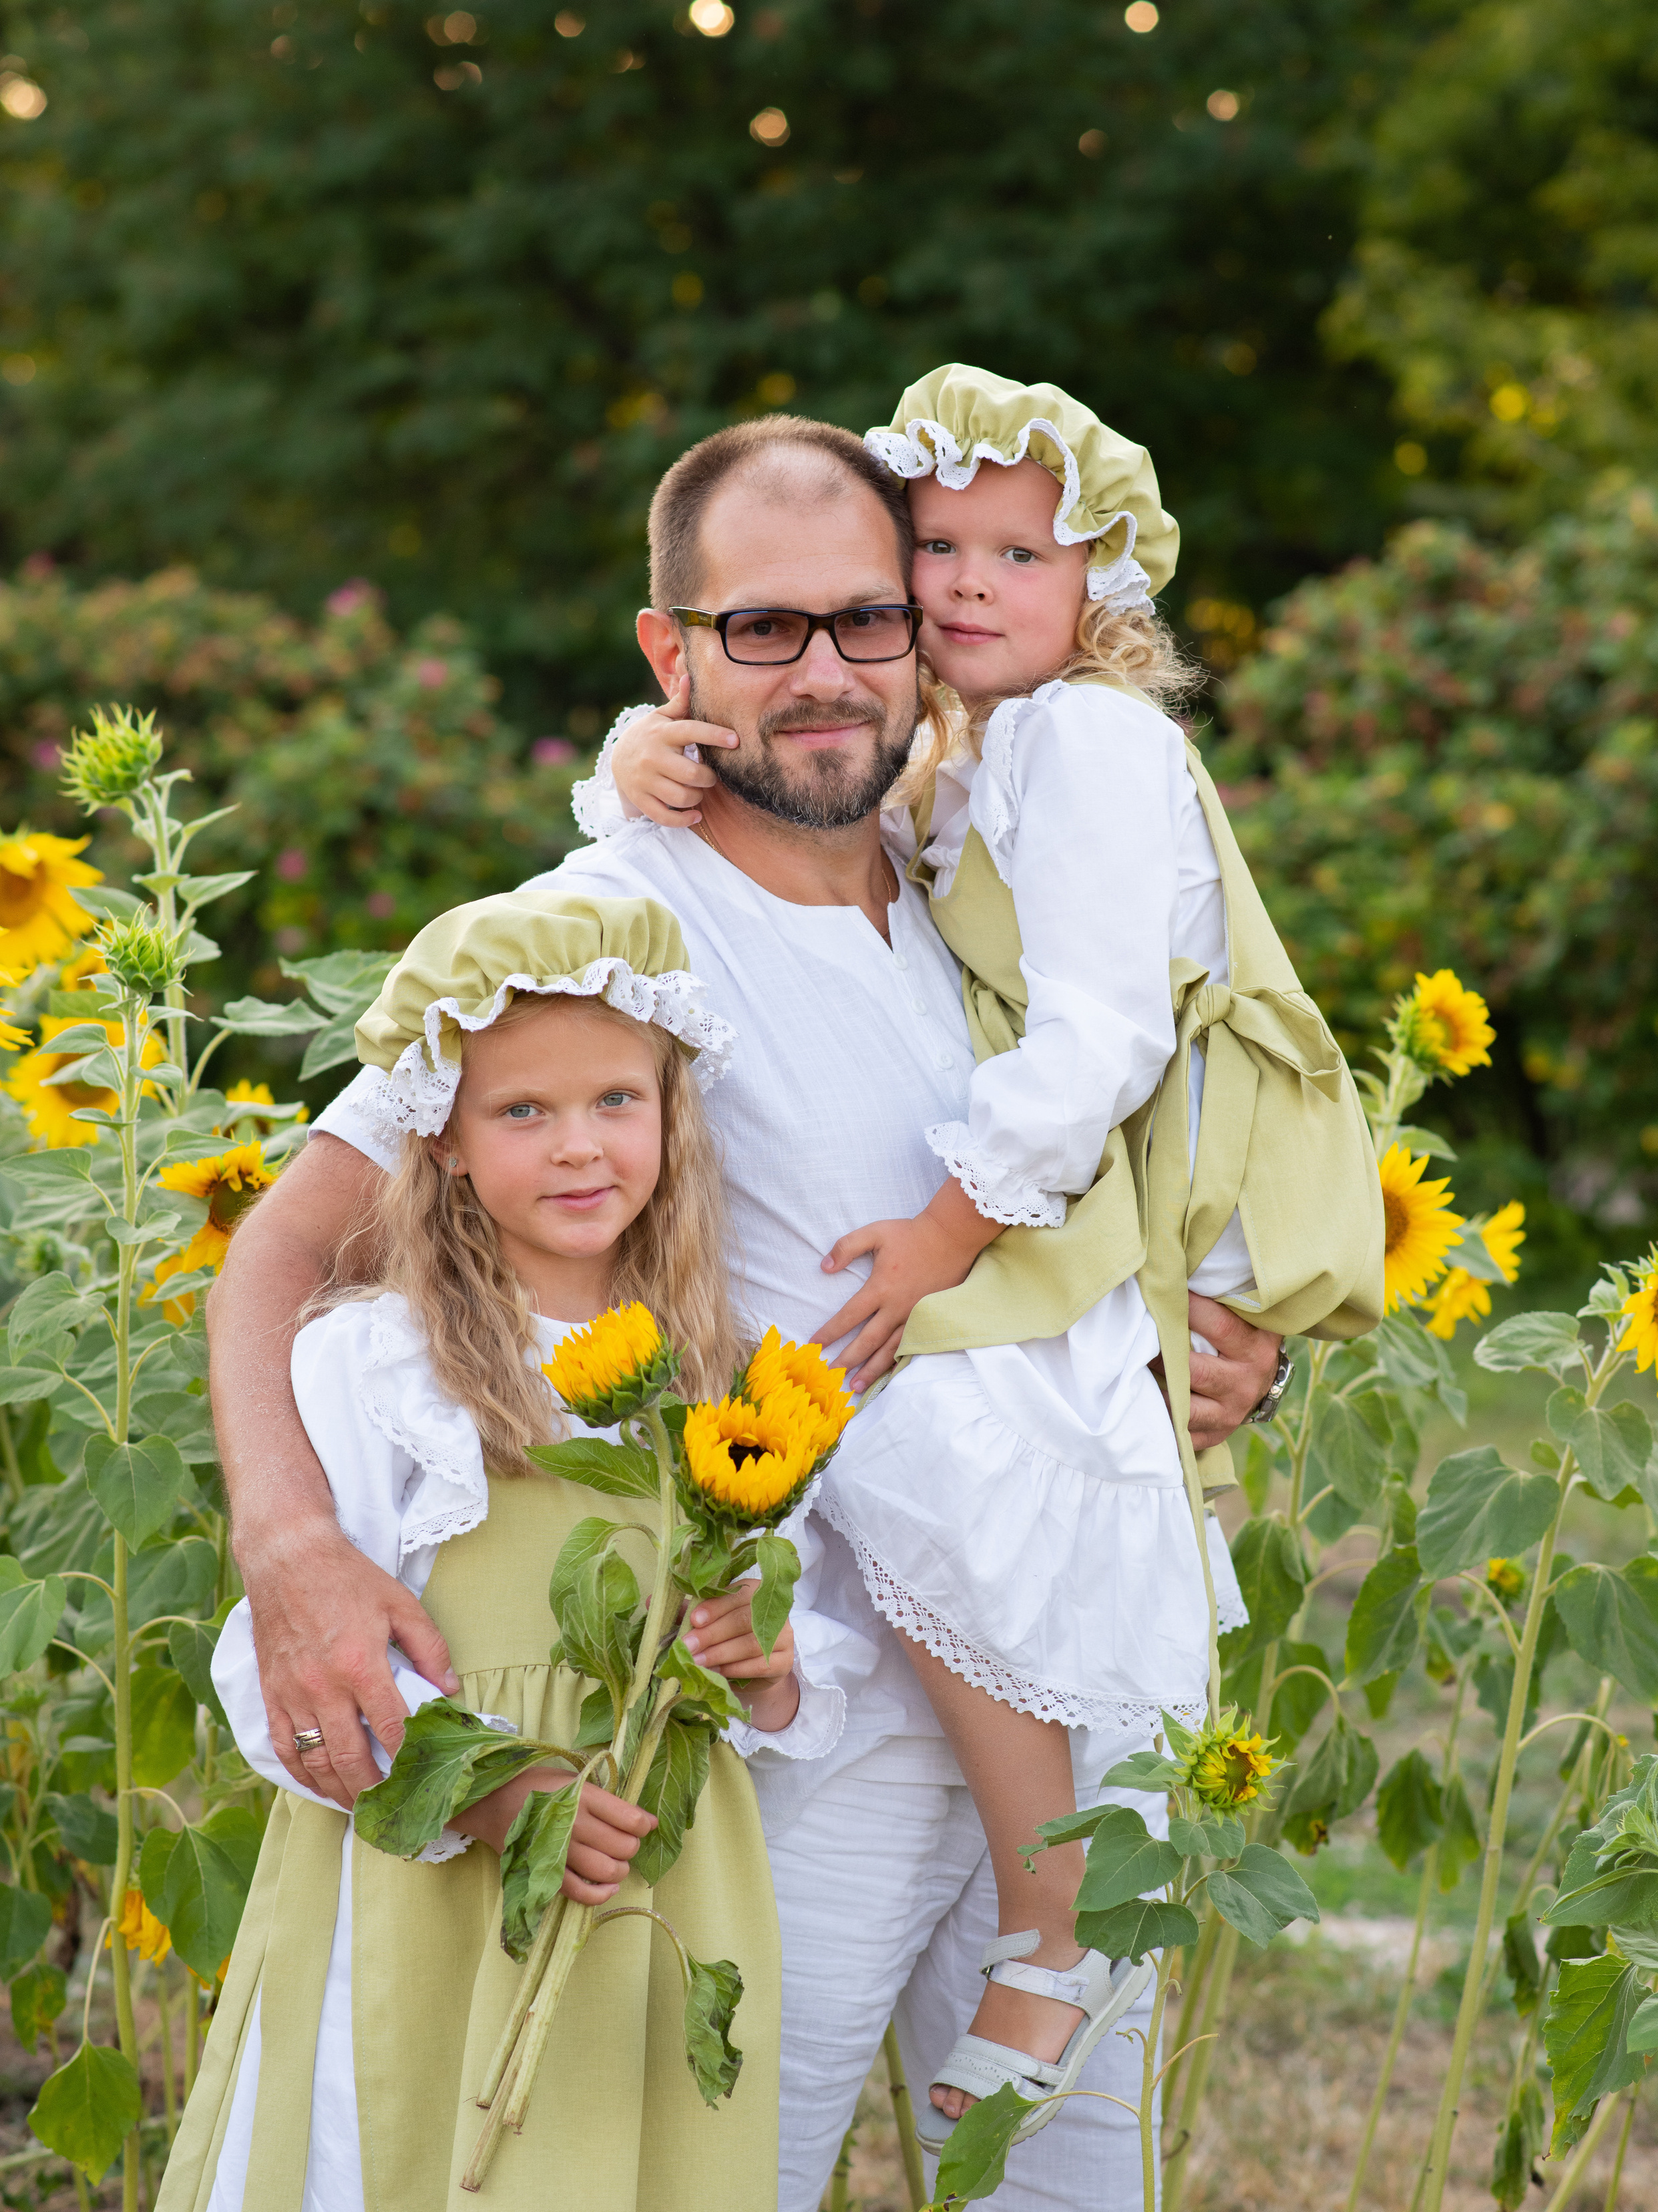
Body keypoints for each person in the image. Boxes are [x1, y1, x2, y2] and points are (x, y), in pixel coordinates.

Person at [208, 412, 1285, 2211]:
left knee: (1072, 2182)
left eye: (870, 620)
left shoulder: (984, 896)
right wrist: (292, 1540)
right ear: (672, 652)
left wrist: (1184, 1337)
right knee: (721, 2172)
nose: (827, 672)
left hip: (1081, 1651)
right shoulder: (596, 923)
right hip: (804, 1703)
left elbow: (1075, 1173)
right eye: (763, 628)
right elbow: (289, 1249)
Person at [602, 368, 1384, 2143]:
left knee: (931, 1431)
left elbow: (1105, 1031)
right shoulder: (969, 754)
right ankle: (1056, 1916)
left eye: (1011, 553)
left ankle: (1057, 1915)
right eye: (932, 549)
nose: (960, 587)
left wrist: (956, 1229)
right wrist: (630, 760)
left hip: (1158, 1173)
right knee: (933, 1441)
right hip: (1090, 1225)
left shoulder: (1089, 741)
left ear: (1102, 581)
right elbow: (786, 810)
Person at [164, 893, 806, 2212]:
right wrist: (489, 1796)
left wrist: (770, 1660)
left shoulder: (724, 1372)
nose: (580, 1148)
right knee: (402, 2147)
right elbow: (286, 1665)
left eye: (617, 1102)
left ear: (671, 1118)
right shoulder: (380, 1361)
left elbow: (785, 1636)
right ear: (443, 1135)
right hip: (437, 1870)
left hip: (648, 1871)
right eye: (522, 1112)